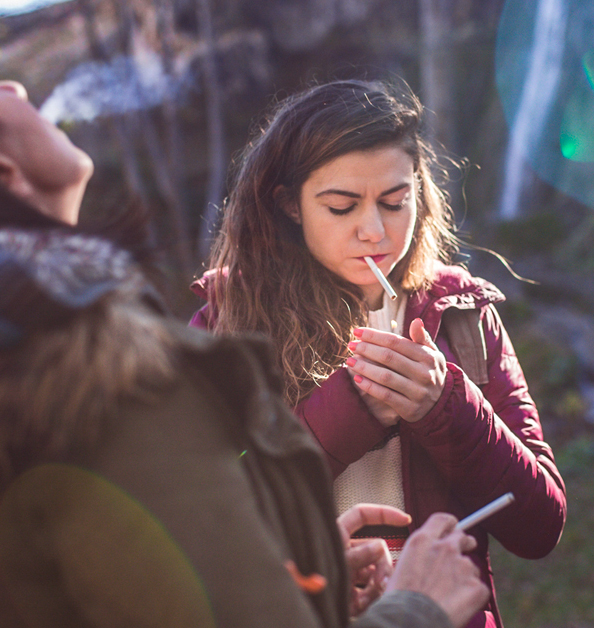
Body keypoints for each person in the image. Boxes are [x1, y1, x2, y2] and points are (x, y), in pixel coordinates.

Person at [0, 37, 487, 628]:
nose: (16, 86)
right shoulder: (104, 388)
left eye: (393, 199)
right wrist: (416, 606)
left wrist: (292, 571)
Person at [191, 79, 567, 628]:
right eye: (342, 207)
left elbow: (539, 525)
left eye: (396, 201)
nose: (375, 232)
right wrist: (352, 411)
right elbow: (203, 513)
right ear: (288, 205)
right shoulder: (228, 321)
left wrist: (445, 405)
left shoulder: (460, 313)